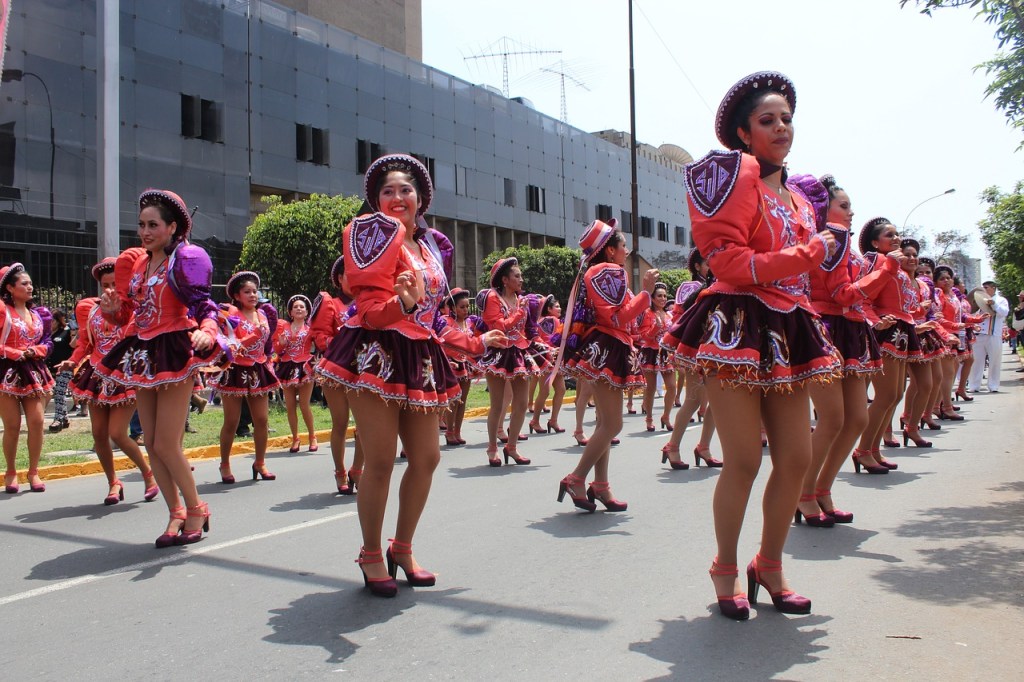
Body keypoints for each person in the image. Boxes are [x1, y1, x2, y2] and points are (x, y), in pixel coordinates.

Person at [664, 72, 841, 620]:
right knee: (741, 459)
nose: (781, 127)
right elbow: (728, 262)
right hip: (736, 325)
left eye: (786, 118)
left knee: (795, 456)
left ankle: (770, 564)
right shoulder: (730, 178)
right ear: (743, 133)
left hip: (787, 330)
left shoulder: (801, 199)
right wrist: (804, 256)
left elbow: (805, 279)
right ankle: (724, 567)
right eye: (768, 120)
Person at [315, 153, 506, 597]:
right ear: (375, 200)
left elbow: (435, 317)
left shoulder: (432, 246)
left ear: (421, 198)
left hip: (419, 356)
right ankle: (369, 554)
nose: (398, 197)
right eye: (388, 190)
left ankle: (402, 548)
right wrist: (401, 304)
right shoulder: (370, 238)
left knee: (426, 458)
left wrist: (476, 342)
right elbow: (368, 312)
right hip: (374, 355)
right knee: (379, 460)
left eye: (406, 190)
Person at [96, 189, 219, 547]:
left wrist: (208, 331)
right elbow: (128, 315)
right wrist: (110, 308)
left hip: (174, 348)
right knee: (150, 442)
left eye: (153, 225)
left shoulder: (186, 258)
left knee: (166, 442)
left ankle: (197, 507)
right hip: (143, 351)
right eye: (141, 225)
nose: (145, 231)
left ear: (172, 227)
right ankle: (175, 512)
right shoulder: (137, 264)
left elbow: (205, 306)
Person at [788, 173, 888, 526]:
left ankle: (822, 489)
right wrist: (884, 272)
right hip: (824, 327)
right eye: (844, 206)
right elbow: (841, 293)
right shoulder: (831, 237)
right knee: (831, 417)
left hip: (848, 328)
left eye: (850, 207)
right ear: (824, 208)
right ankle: (802, 493)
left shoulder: (835, 239)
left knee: (856, 418)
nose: (850, 213)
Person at [557, 218, 659, 513]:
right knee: (612, 424)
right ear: (610, 251)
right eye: (624, 246)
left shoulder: (604, 272)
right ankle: (576, 478)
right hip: (607, 347)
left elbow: (630, 321)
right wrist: (646, 291)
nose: (627, 251)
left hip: (609, 346)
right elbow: (619, 317)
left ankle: (600, 485)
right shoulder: (608, 271)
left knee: (604, 423)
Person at [55, 258, 159, 505]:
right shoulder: (89, 310)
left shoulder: (134, 309)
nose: (110, 289)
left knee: (118, 433)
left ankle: (148, 474)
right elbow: (86, 344)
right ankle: (113, 482)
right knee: (99, 434)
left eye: (115, 283)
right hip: (97, 374)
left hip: (125, 374)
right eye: (105, 284)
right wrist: (72, 360)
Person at [214, 271, 280, 483]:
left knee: (261, 420)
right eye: (247, 292)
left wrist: (268, 359)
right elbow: (233, 346)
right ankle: (224, 463)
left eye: (254, 291)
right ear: (237, 295)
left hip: (257, 369)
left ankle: (260, 462)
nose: (252, 295)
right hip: (235, 370)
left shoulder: (262, 315)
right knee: (232, 421)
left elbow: (267, 344)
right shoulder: (231, 315)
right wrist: (254, 336)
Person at [659, 249, 721, 470]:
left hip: (716, 348)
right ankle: (673, 445)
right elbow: (680, 318)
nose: (710, 267)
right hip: (696, 349)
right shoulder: (690, 288)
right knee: (693, 400)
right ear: (697, 266)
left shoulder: (721, 285)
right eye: (707, 263)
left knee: (718, 401)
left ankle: (704, 447)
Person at [479, 258, 541, 466]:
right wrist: (520, 313)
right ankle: (492, 448)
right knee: (498, 405)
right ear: (505, 280)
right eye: (517, 276)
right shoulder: (493, 298)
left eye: (521, 276)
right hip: (498, 352)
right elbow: (498, 326)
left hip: (519, 353)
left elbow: (529, 329)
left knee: (522, 403)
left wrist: (542, 345)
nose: (521, 280)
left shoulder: (522, 299)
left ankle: (511, 447)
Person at [1, 262, 55, 493]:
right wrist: (15, 352)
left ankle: (34, 471)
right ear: (11, 288)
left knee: (37, 421)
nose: (30, 287)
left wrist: (38, 350)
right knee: (12, 425)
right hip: (8, 373)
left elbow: (48, 341)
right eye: (24, 283)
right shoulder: (3, 311)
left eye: (31, 283)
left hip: (34, 372)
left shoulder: (39, 314)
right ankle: (11, 471)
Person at [309, 256, 359, 494]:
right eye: (350, 274)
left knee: (366, 425)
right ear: (340, 279)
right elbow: (320, 337)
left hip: (364, 371)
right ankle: (340, 471)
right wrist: (342, 343)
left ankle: (357, 468)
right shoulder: (330, 303)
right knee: (340, 422)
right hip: (336, 370)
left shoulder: (370, 301)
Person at [274, 294, 318, 453]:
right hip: (286, 366)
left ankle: (312, 436)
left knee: (304, 404)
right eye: (295, 307)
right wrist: (282, 343)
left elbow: (319, 344)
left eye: (302, 307)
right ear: (290, 312)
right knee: (290, 405)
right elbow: (277, 349)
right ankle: (295, 438)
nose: (299, 309)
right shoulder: (283, 327)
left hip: (305, 367)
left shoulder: (310, 329)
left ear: (307, 312)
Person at [440, 288, 479, 446]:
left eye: (466, 306)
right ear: (453, 308)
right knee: (453, 399)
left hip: (466, 364)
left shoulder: (469, 323)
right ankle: (449, 432)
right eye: (461, 307)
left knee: (462, 400)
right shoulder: (445, 321)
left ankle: (457, 431)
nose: (465, 310)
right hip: (452, 364)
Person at [637, 283, 676, 433]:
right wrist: (656, 327)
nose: (663, 298)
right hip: (651, 353)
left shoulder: (669, 315)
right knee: (651, 388)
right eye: (659, 295)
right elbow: (644, 337)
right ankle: (649, 419)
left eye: (665, 296)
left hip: (666, 353)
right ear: (652, 298)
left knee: (672, 387)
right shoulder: (647, 313)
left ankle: (666, 416)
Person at [528, 295, 568, 435]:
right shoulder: (552, 321)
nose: (559, 308)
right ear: (548, 309)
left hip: (550, 358)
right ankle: (535, 421)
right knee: (546, 391)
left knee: (560, 389)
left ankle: (552, 420)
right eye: (556, 306)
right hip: (548, 358)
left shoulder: (539, 322)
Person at [966, 280, 1010, 393]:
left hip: (993, 334)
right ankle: (974, 385)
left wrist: (994, 304)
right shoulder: (979, 299)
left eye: (986, 287)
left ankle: (993, 385)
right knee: (976, 361)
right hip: (979, 334)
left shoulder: (1001, 300)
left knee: (994, 360)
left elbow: (1004, 313)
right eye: (983, 287)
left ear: (993, 288)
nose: (984, 290)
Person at [46, 309, 75, 432]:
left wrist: (76, 333)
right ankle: (65, 418)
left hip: (65, 367)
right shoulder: (46, 334)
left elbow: (74, 345)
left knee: (59, 391)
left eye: (52, 321)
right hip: (50, 369)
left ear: (58, 321)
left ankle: (58, 419)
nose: (50, 323)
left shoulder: (66, 331)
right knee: (58, 393)